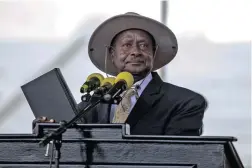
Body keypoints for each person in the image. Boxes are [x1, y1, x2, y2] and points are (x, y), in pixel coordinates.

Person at [34, 12, 207, 136]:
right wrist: (46, 128)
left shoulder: (185, 102)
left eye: (144, 46)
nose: (135, 52)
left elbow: (180, 156)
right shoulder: (92, 104)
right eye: (126, 45)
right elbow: (70, 147)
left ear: (153, 54)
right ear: (112, 54)